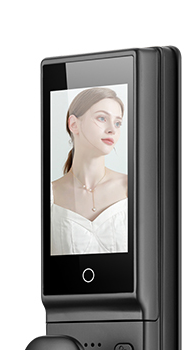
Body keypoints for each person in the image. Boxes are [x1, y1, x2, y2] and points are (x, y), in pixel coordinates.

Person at [51, 87, 128, 255]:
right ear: (74, 124)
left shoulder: (133, 188)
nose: (112, 129)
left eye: (118, 123)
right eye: (102, 118)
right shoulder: (49, 195)